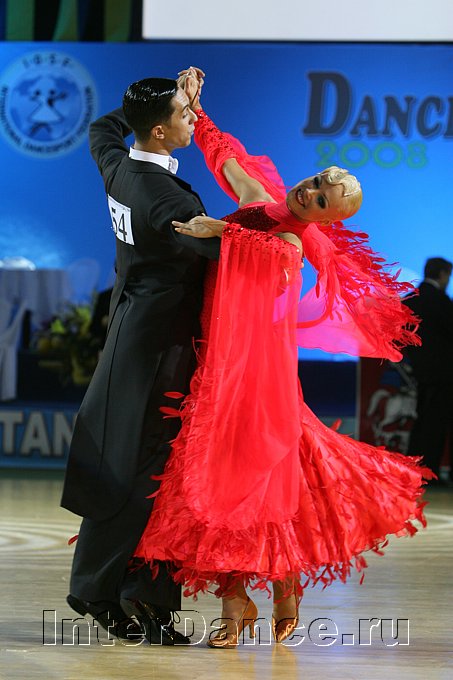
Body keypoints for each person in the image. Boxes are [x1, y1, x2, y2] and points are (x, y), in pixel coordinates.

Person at [133, 69, 432, 648]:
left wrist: (219, 231)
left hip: (257, 371)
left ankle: (265, 591)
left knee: (253, 476)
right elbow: (224, 156)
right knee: (223, 480)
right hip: (220, 359)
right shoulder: (260, 197)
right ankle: (254, 594)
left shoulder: (296, 241)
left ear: (327, 219)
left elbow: (274, 255)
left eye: (321, 200)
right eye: (316, 181)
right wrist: (198, 108)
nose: (308, 193)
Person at [60, 76, 222, 645]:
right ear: (158, 130)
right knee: (146, 472)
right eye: (184, 112)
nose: (193, 116)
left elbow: (103, 127)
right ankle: (109, 589)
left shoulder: (117, 163)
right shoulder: (168, 199)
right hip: (160, 348)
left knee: (145, 468)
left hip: (133, 333)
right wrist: (290, 232)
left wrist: (161, 94)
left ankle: (138, 595)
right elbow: (222, 251)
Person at [403, 257, 453, 487]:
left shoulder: (410, 299)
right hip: (445, 374)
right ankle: (430, 473)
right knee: (436, 423)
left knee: (423, 420)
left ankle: (413, 471)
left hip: (420, 372)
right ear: (442, 275)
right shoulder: (442, 301)